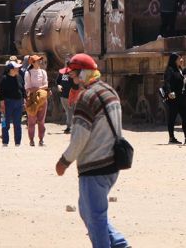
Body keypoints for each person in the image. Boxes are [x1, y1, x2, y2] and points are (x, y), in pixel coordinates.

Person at [55, 53, 130, 248]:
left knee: (94, 217)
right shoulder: (110, 91)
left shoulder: (87, 98)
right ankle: (120, 244)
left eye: (74, 75)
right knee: (86, 210)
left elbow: (80, 136)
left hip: (95, 166)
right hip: (113, 163)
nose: (73, 79)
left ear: (84, 73)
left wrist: (64, 161)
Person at [25, 55, 50, 146]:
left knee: (41, 121)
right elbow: (28, 88)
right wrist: (37, 89)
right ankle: (31, 140)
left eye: (40, 60)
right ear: (33, 62)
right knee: (31, 121)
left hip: (42, 99)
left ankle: (41, 139)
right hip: (32, 99)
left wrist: (37, 88)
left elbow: (46, 85)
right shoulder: (28, 73)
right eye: (37, 60)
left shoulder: (43, 72)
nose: (40, 62)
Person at [163, 52, 186, 144]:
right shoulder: (170, 69)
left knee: (185, 116)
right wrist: (169, 92)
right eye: (178, 58)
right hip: (173, 97)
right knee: (172, 118)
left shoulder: (179, 69)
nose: (180, 60)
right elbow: (167, 82)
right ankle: (171, 137)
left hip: (180, 97)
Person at [0, 60, 24, 147]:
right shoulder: (4, 78)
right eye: (16, 67)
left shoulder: (19, 77)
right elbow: (1, 92)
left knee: (18, 123)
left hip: (18, 102)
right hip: (7, 102)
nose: (18, 69)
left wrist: (24, 100)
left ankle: (18, 142)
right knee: (5, 122)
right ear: (11, 70)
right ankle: (5, 142)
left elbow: (22, 89)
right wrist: (2, 103)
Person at [57, 58, 78, 134]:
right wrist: (58, 86)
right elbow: (58, 81)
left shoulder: (74, 73)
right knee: (68, 111)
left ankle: (69, 127)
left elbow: (76, 85)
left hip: (71, 95)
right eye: (66, 63)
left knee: (70, 111)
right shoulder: (62, 72)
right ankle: (71, 126)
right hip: (63, 95)